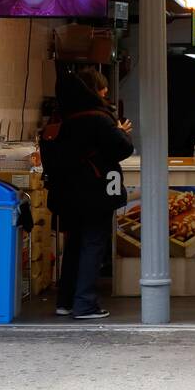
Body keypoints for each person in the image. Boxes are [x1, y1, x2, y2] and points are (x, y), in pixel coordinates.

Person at [43, 69, 133, 320]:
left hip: (66, 193)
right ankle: (85, 304)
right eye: (102, 90)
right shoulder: (98, 118)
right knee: (93, 243)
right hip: (95, 192)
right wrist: (120, 131)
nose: (105, 95)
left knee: (74, 245)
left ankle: (65, 301)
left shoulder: (61, 117)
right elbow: (123, 148)